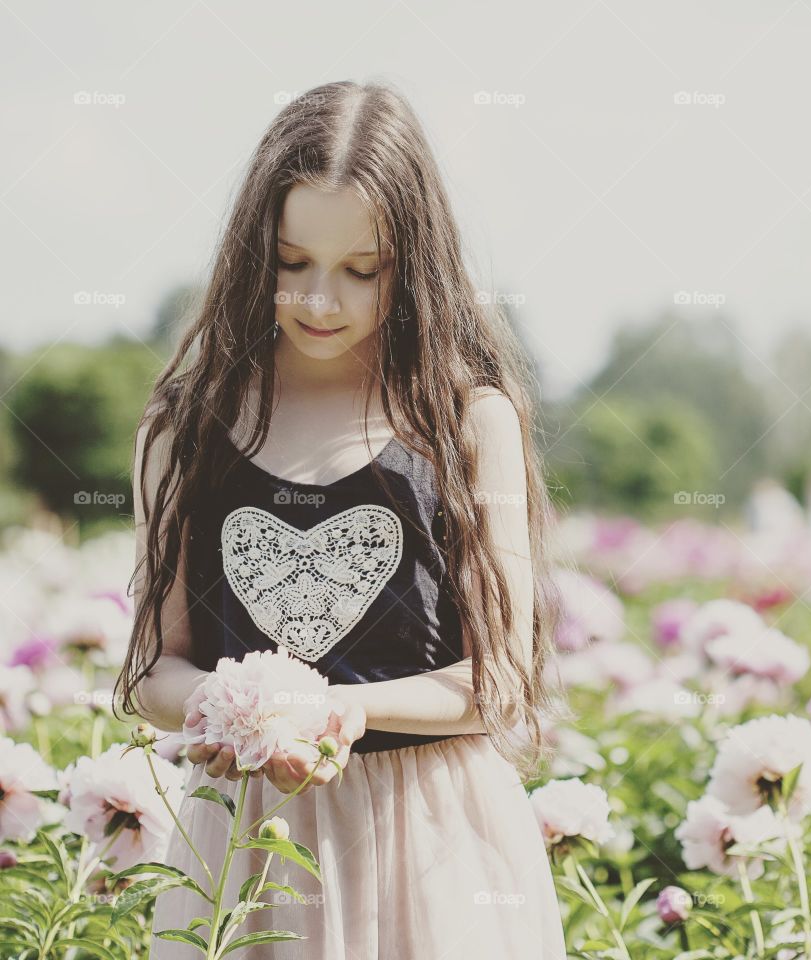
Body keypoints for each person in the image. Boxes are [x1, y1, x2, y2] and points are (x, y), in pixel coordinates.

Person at [115, 80, 569, 958]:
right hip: (249, 847)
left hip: (434, 845)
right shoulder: (188, 429)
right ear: (254, 253)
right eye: (292, 262)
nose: (322, 301)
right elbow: (147, 672)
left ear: (416, 264)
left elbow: (502, 679)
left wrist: (330, 711)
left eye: (364, 271)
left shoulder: (465, 421)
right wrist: (229, 707)